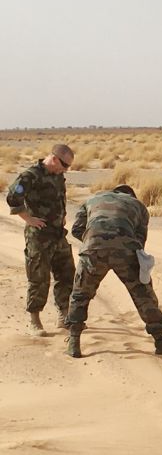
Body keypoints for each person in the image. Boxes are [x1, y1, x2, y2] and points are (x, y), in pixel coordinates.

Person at [64, 184, 162, 358]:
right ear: (131, 195)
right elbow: (140, 239)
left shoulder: (92, 200)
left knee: (80, 294)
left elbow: (76, 229)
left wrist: (96, 241)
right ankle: (161, 342)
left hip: (93, 250)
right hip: (126, 251)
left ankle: (74, 342)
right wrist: (121, 246)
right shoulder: (138, 206)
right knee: (143, 294)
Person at [6, 143, 76, 336]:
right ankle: (35, 320)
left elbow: (60, 196)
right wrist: (27, 218)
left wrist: (62, 214)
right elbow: (13, 197)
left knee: (66, 273)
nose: (66, 169)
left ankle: (64, 315)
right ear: (54, 159)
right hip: (39, 236)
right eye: (64, 164)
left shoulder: (57, 175)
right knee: (39, 277)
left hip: (58, 233)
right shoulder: (30, 175)